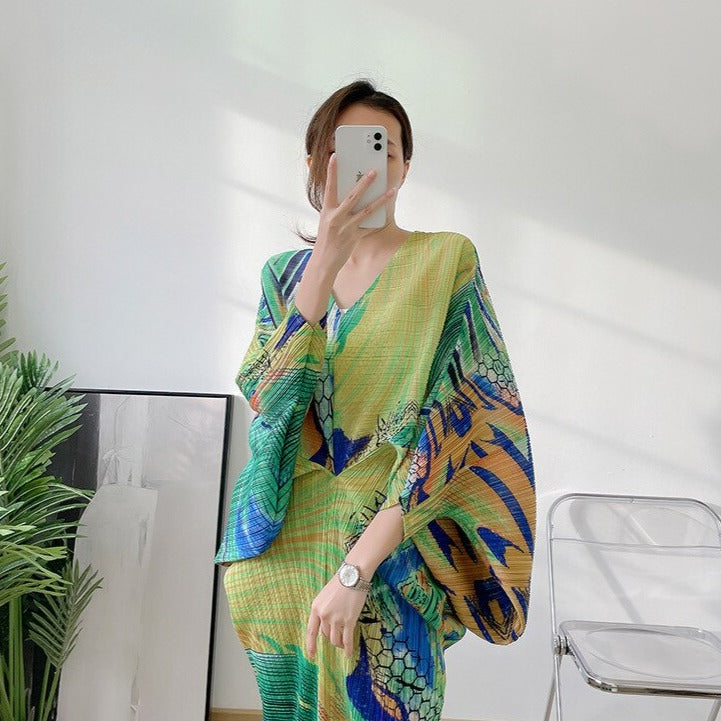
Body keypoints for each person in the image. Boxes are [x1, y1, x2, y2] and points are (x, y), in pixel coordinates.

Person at [215, 79, 536, 721]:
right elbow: (270, 402)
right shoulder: (285, 275)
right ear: (318, 163)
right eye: (348, 149)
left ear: (404, 167)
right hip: (282, 555)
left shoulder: (445, 261)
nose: (368, 165)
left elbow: (461, 425)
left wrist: (356, 570)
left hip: (387, 554)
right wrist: (323, 263)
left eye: (383, 149)